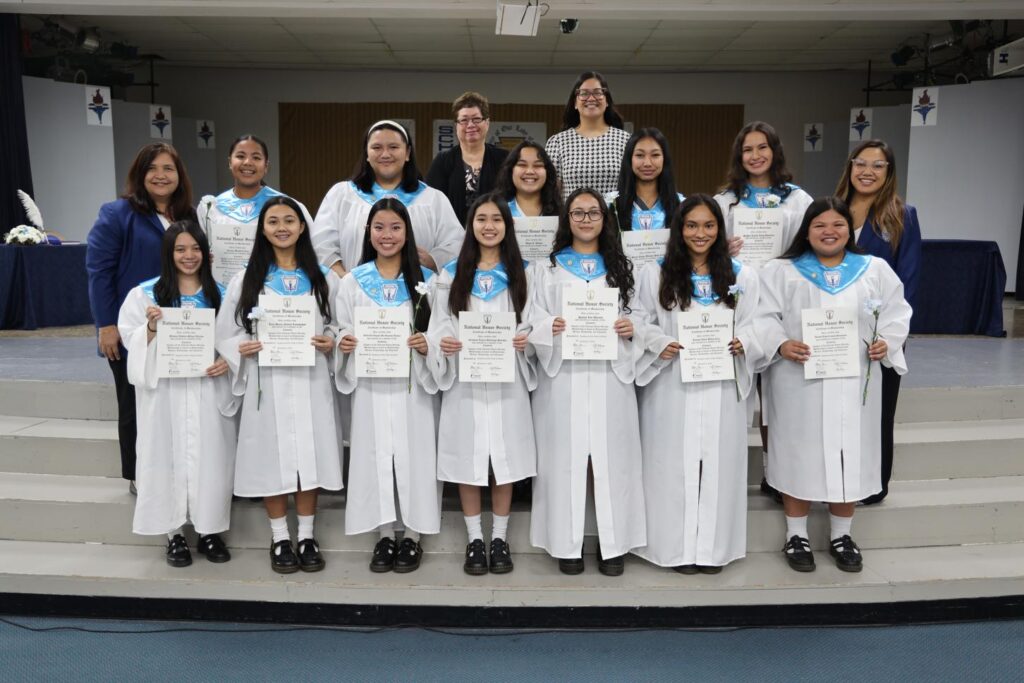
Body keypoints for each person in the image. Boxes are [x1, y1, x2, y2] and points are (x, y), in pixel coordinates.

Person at [755, 197, 911, 573]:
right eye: (820, 225)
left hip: (854, 378)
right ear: (806, 232)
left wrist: (885, 342)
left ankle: (842, 535)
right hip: (798, 379)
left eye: (838, 224)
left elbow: (896, 312)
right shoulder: (782, 272)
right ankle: (797, 535)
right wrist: (780, 343)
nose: (829, 231)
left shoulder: (874, 269)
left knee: (850, 452)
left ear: (849, 230)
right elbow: (761, 315)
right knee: (798, 449)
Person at [634, 195, 762, 574]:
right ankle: (673, 549)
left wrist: (746, 342)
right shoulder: (655, 274)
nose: (700, 233)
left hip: (722, 385)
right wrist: (660, 343)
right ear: (678, 229)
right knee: (671, 466)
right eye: (691, 225)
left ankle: (712, 549)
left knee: (719, 465)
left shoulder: (742, 275)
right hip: (671, 384)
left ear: (720, 229)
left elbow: (760, 321)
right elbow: (639, 320)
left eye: (709, 225)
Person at [216, 196, 343, 574]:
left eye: (290, 220)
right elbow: (227, 331)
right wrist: (242, 347)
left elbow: (340, 323)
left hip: (311, 378)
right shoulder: (247, 278)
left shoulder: (323, 277)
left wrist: (331, 340)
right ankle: (279, 538)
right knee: (273, 454)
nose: (282, 227)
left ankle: (306, 536)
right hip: (266, 381)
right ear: (263, 228)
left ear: (303, 227)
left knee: (310, 454)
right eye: (274, 221)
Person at [527, 188, 646, 576]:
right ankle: (568, 542)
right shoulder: (547, 268)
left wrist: (632, 327)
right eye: (577, 213)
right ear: (566, 219)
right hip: (565, 378)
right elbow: (531, 319)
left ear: (604, 218)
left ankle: (614, 545)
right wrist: (550, 326)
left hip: (611, 376)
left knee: (614, 459)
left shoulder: (623, 266)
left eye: (592, 212)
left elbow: (642, 315)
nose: (585, 220)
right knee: (565, 460)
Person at [117, 221, 236, 567]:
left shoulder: (223, 294)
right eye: (180, 249)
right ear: (168, 254)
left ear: (206, 252)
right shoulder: (145, 295)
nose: (188, 256)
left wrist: (227, 360)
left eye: (195, 248)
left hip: (207, 391)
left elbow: (239, 336)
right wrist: (151, 328)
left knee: (211, 459)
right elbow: (130, 339)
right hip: (165, 395)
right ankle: (174, 535)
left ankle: (210, 531)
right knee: (165, 456)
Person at [429, 194, 537, 575]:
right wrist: (444, 341)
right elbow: (440, 323)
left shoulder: (524, 271)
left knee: (503, 461)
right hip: (466, 380)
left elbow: (532, 319)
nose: (489, 226)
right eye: (481, 219)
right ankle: (475, 539)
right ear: (471, 226)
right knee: (469, 460)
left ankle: (500, 538)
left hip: (508, 380)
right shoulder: (452, 273)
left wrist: (527, 336)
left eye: (497, 219)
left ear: (507, 226)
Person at [334, 198, 441, 574]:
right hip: (372, 387)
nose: (387, 235)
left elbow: (442, 332)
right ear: (369, 232)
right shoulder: (352, 282)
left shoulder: (427, 284)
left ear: (407, 232)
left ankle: (412, 535)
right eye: (379, 227)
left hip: (415, 388)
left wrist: (429, 344)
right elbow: (340, 327)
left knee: (417, 457)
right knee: (374, 455)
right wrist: (343, 342)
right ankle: (383, 533)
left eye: (395, 227)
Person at [86, 142, 197, 494]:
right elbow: (99, 271)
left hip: (181, 329)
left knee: (173, 402)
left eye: (169, 169)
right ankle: (137, 474)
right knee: (135, 401)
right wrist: (106, 325)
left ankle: (176, 467)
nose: (161, 176)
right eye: (153, 169)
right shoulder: (118, 214)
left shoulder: (188, 216)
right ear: (140, 174)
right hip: (133, 328)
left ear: (179, 176)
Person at [713, 121, 813, 503]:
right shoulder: (726, 201)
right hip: (736, 301)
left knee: (778, 396)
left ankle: (776, 471)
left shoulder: (798, 199)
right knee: (740, 390)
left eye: (762, 148)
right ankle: (734, 468)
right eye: (747, 150)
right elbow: (704, 245)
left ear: (775, 152)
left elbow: (811, 244)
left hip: (783, 302)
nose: (755, 156)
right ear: (739, 156)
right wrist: (727, 249)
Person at [835, 140, 922, 505]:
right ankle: (837, 479)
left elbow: (909, 280)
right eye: (861, 163)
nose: (867, 171)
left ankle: (874, 485)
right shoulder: (832, 210)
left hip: (878, 338)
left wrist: (890, 337)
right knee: (839, 413)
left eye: (878, 165)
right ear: (850, 167)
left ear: (889, 172)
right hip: (836, 334)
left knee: (878, 414)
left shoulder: (903, 215)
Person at [312, 120, 463, 277]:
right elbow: (321, 245)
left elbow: (456, 244)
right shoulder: (341, 195)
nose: (385, 154)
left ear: (407, 153)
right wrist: (346, 280)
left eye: (393, 147)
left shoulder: (433, 199)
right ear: (367, 154)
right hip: (355, 297)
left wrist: (434, 260)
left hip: (417, 296)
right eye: (377, 148)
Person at [197, 134, 315, 285]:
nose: (247, 162)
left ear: (266, 166)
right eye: (240, 156)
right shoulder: (211, 208)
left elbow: (311, 252)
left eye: (256, 158)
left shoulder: (289, 208)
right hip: (220, 293)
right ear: (229, 162)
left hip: (272, 291)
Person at [426, 92, 510, 225]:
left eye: (476, 119)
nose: (470, 125)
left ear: (487, 123)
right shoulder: (442, 161)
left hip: (495, 235)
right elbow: (430, 204)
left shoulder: (505, 159)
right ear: (456, 125)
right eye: (464, 120)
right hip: (452, 239)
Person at [545, 71, 630, 200]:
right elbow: (551, 194)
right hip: (573, 219)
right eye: (584, 93)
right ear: (575, 102)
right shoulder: (557, 142)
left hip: (615, 219)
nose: (591, 98)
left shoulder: (625, 140)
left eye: (597, 92)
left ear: (607, 101)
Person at [610, 128, 683, 231]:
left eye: (655, 155)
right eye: (640, 155)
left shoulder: (682, 204)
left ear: (664, 159)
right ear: (629, 159)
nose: (647, 163)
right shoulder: (612, 205)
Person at [494, 140, 562, 219]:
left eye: (537, 165)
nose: (530, 171)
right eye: (522, 165)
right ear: (510, 170)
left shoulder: (562, 214)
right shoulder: (496, 210)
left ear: (547, 172)